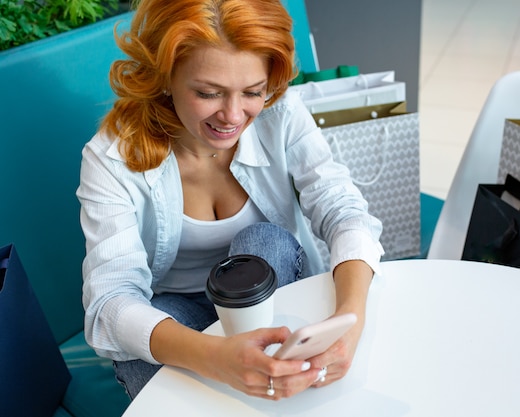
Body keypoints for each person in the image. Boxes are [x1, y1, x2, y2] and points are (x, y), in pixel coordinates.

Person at [76, 0, 383, 401]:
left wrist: (351, 319)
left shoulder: (282, 112)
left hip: (273, 297)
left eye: (253, 92)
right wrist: (214, 356)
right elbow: (110, 302)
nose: (233, 116)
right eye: (208, 93)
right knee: (137, 346)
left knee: (265, 242)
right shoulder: (111, 157)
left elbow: (343, 209)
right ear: (166, 77)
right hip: (183, 316)